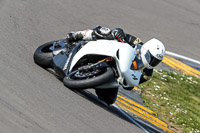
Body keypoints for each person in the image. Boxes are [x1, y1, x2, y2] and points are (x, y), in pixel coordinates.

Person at [66, 25, 165, 85]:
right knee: (106, 32)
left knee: (109, 99)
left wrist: (127, 82)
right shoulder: (137, 42)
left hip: (115, 74)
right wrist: (118, 34)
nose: (151, 62)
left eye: (155, 61)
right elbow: (121, 33)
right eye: (151, 58)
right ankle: (77, 35)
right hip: (111, 52)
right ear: (145, 49)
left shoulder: (148, 72)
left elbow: (134, 83)